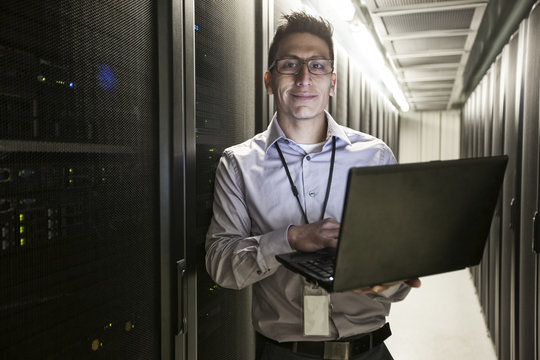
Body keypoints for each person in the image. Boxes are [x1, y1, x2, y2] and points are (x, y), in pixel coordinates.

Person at [205, 11, 420, 360]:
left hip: (369, 350)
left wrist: (389, 278)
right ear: (269, 80)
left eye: (318, 65)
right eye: (289, 64)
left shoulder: (374, 155)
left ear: (332, 82)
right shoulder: (239, 164)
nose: (304, 77)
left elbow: (398, 272)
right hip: (285, 353)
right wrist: (289, 239)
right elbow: (221, 265)